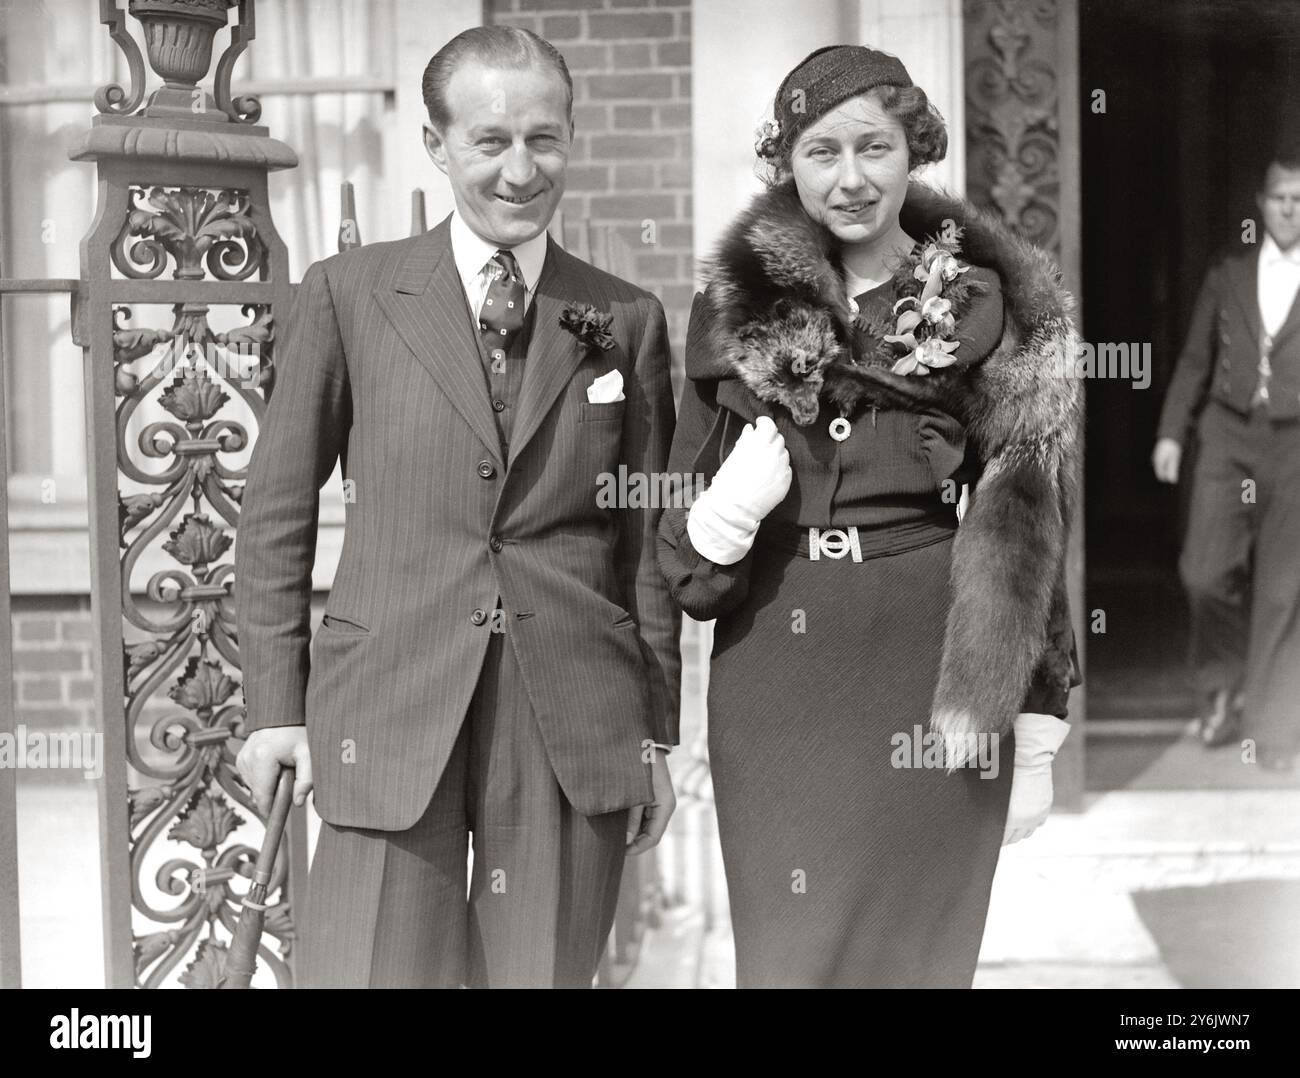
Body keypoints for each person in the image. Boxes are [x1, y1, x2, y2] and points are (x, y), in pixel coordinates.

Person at [234, 25, 680, 988]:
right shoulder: (349, 294)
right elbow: (275, 512)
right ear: (436, 145)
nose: (522, 170)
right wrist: (275, 708)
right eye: (490, 141)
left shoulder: (625, 317)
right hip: (386, 702)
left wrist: (651, 735)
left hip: (569, 714)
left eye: (545, 138)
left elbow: (644, 543)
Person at [656, 45, 1082, 988]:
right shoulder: (729, 311)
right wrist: (725, 514)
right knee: (791, 962)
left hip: (932, 672)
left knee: (920, 967)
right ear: (787, 164)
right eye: (820, 153)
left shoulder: (985, 304)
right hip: (777, 675)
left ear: (915, 147)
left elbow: (1028, 516)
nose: (850, 179)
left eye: (874, 147)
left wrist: (1040, 724)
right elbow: (678, 557)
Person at [1153, 153, 1300, 771]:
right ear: (1261, 204)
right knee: (1204, 573)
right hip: (1225, 437)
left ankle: (1272, 730)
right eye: (1280, 198)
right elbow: (1194, 360)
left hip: (1294, 446)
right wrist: (1171, 435)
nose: (1290, 209)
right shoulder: (1228, 272)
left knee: (1283, 590)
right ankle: (1223, 685)